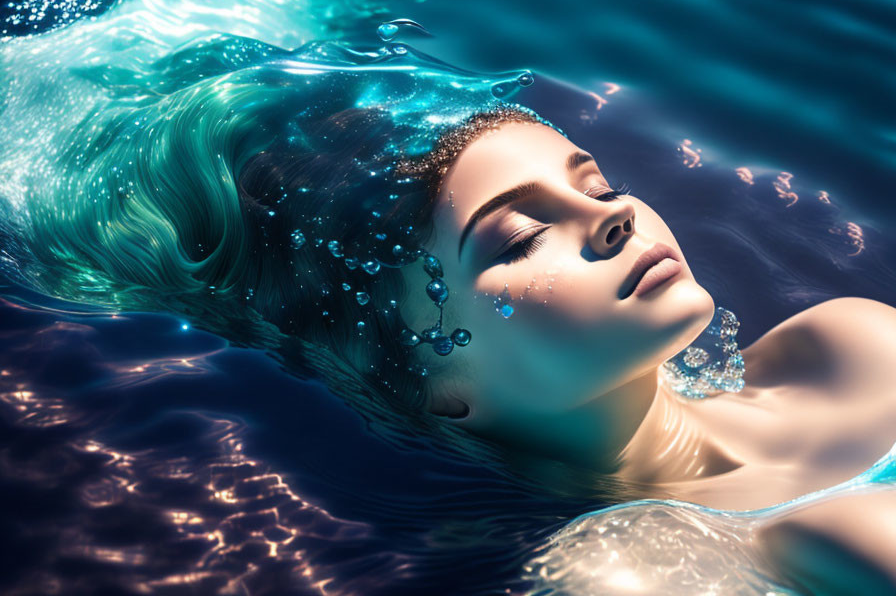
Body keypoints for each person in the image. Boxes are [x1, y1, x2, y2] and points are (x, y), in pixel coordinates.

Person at [14, 40, 896, 591]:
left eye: (596, 185)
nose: (614, 215)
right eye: (516, 240)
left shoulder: (850, 347)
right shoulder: (629, 572)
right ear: (439, 388)